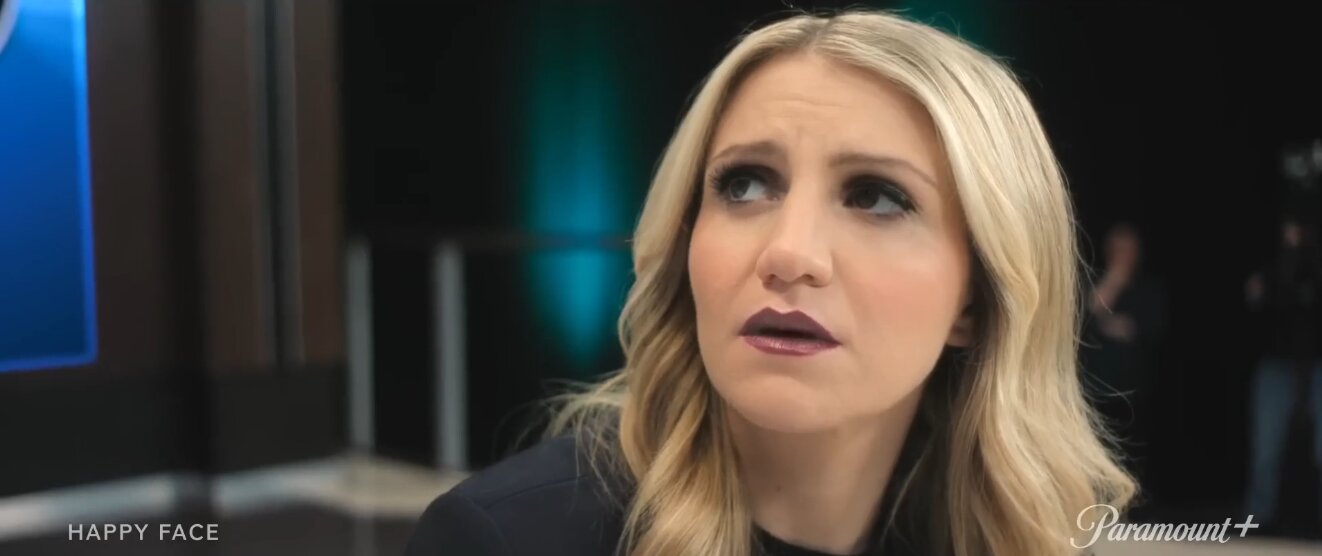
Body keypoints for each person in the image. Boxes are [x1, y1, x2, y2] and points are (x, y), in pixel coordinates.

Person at [405, 9, 1134, 556]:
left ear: (974, 300)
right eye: (745, 184)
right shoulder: (503, 539)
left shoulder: (1016, 539)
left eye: (877, 197)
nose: (788, 253)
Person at [1243, 216, 1322, 529]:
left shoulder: (1314, 264)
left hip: (1317, 361)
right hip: (1277, 361)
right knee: (1266, 447)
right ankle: (1258, 518)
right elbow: (1254, 304)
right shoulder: (1272, 267)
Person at [1080, 223, 1166, 501]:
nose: (1122, 256)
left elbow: (1143, 329)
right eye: (1117, 249)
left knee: (1131, 461)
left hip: (1134, 392)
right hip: (1096, 390)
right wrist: (1115, 280)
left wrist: (1108, 324)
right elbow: (1089, 315)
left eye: (1128, 250)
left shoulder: (1148, 289)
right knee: (1095, 458)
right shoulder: (1094, 281)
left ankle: (1132, 509)